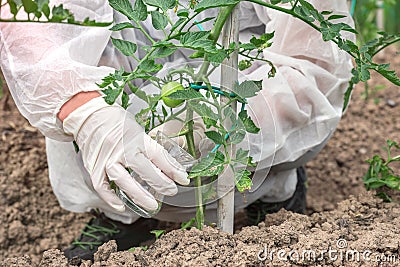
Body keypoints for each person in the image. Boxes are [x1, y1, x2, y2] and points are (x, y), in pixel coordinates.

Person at [0, 0, 354, 261]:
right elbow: (30, 17)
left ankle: (275, 192)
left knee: (264, 134)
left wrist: (215, 127)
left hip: (244, 77)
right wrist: (86, 110)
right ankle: (119, 213)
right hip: (127, 73)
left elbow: (314, 65)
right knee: (79, 85)